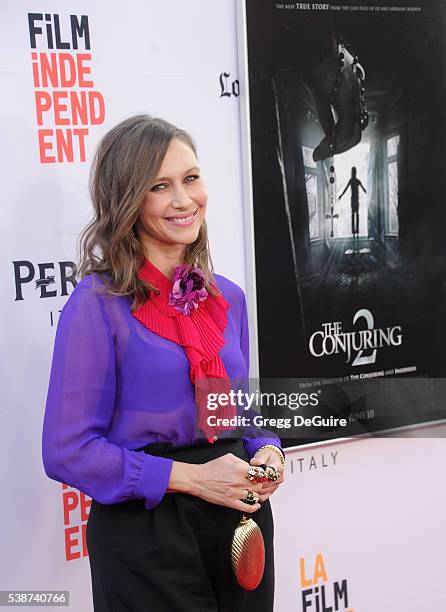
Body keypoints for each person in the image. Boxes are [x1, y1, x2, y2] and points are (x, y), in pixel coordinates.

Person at [42, 114, 285, 612]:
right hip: (147, 532)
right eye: (160, 186)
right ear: (129, 200)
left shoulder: (228, 299)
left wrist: (268, 453)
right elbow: (67, 450)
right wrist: (194, 478)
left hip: (241, 522)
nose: (183, 200)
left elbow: (238, 419)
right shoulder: (96, 304)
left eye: (190, 179)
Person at [339, 166, 367, 238]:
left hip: (354, 200)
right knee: (356, 215)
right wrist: (341, 195)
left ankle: (355, 232)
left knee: (354, 215)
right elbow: (363, 189)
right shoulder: (356, 181)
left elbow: (363, 189)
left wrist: (341, 195)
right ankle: (355, 232)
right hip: (355, 200)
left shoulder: (352, 180)